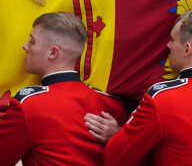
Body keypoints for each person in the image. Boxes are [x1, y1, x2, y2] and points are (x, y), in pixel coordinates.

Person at [85, 8, 192, 166]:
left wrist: (117, 137)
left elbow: (116, 158)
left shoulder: (162, 99)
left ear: (187, 49)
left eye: (172, 40)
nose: (168, 46)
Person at [0, 12, 129, 166]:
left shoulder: (29, 104)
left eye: (32, 41)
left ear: (53, 52)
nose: (25, 46)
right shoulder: (113, 103)